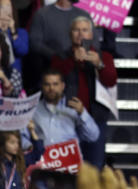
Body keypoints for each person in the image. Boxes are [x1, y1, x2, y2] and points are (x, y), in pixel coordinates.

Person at [50, 16, 117, 168]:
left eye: (85, 30)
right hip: (67, 119)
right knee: (68, 167)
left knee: (95, 166)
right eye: (76, 30)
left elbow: (111, 80)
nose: (80, 34)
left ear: (92, 34)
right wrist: (72, 60)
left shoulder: (104, 56)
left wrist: (99, 65)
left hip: (96, 118)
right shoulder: (60, 57)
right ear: (70, 34)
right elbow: (53, 79)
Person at [28, 0, 98, 64]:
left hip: (80, 68)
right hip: (52, 70)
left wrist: (84, 54)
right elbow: (35, 43)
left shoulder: (84, 15)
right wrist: (58, 58)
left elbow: (95, 41)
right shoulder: (42, 14)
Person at [32, 69, 100, 151]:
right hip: (43, 160)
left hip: (70, 161)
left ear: (63, 86)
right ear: (42, 86)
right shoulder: (33, 109)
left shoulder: (74, 108)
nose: (51, 88)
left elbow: (93, 137)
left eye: (55, 84)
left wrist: (82, 113)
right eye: (47, 84)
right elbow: (23, 137)